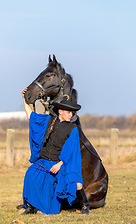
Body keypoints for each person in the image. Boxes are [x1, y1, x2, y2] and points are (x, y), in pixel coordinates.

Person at [21, 87, 89, 215]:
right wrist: (25, 100)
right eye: (69, 112)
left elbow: (71, 151)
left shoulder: (73, 128)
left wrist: (59, 164)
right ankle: (31, 207)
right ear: (61, 111)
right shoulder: (48, 121)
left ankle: (84, 205)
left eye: (72, 113)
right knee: (30, 174)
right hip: (44, 161)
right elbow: (31, 117)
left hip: (60, 163)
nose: (71, 115)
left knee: (73, 178)